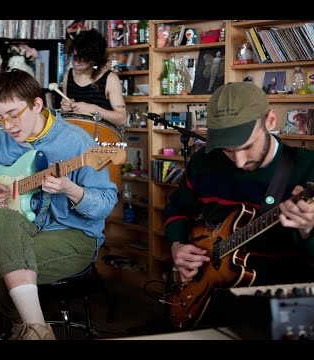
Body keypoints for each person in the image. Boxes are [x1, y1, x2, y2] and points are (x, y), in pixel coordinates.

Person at [0, 69, 118, 340]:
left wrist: (71, 189)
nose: (7, 126)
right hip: (26, 232)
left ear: (37, 104)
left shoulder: (77, 142)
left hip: (74, 236)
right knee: (0, 218)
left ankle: (27, 329)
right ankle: (36, 329)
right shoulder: (1, 140)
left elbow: (105, 204)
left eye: (14, 114)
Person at [163, 82, 314, 327]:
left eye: (246, 146)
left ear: (270, 121)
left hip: (285, 296)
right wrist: (177, 246)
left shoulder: (307, 169)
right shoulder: (204, 162)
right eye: (227, 150)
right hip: (211, 292)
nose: (239, 161)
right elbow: (177, 209)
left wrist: (308, 228)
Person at [60, 28, 127, 127]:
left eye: (82, 59)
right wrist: (64, 108)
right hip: (74, 136)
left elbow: (122, 119)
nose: (75, 63)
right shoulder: (68, 76)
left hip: (101, 136)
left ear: (94, 59)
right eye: (74, 57)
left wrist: (94, 109)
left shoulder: (110, 79)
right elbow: (64, 116)